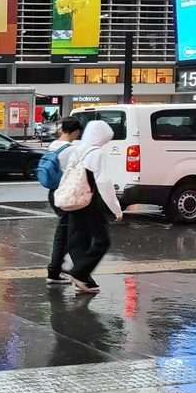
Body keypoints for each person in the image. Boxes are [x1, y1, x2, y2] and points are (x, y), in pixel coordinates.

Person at [64, 120, 123, 294]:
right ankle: (80, 274)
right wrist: (116, 208)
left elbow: (68, 174)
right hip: (91, 203)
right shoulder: (97, 153)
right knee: (102, 241)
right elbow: (104, 182)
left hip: (75, 200)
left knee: (77, 240)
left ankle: (82, 279)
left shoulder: (77, 150)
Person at [45, 116, 82, 285]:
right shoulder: (72, 150)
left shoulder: (53, 146)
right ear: (74, 131)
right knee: (67, 234)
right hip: (66, 194)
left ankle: (58, 270)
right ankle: (61, 272)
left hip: (54, 193)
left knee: (67, 231)